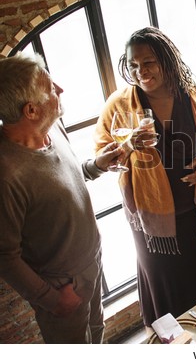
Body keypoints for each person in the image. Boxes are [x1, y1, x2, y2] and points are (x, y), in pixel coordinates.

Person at [94, 27, 196, 327]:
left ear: (167, 60)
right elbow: (102, 159)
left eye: (148, 62)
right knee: (164, 288)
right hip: (153, 225)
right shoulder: (118, 105)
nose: (141, 71)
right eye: (133, 65)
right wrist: (128, 145)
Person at [0, 53, 122, 343]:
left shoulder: (51, 127)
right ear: (31, 110)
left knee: (97, 334)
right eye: (51, 87)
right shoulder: (7, 175)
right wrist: (52, 299)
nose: (60, 89)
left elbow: (60, 184)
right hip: (62, 288)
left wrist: (96, 166)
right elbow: (5, 256)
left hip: (91, 264)